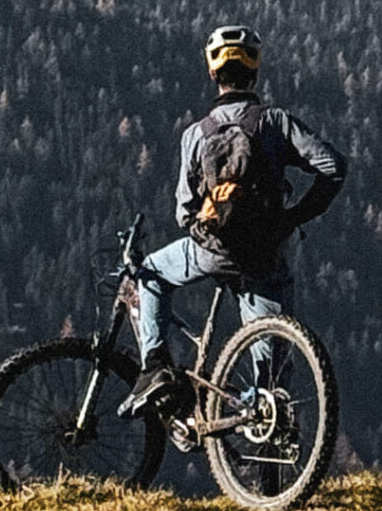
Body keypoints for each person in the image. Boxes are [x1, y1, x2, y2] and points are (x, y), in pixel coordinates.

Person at [121, 21, 347, 416]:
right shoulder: (275, 122)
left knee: (150, 273)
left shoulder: (196, 134)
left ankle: (155, 366)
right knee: (270, 371)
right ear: (255, 71)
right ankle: (262, 425)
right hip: (266, 252)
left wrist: (208, 227)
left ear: (212, 72)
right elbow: (333, 166)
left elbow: (182, 212)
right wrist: (293, 217)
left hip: (212, 251)